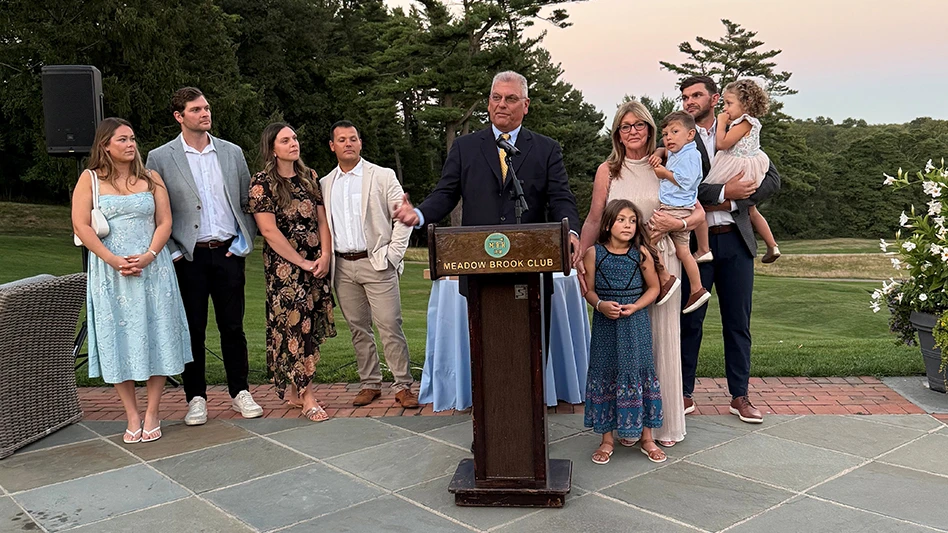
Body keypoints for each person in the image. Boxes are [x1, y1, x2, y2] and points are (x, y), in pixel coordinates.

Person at [577, 101, 703, 447]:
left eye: (640, 125)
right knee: (623, 346)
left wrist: (675, 223)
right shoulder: (609, 170)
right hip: (618, 267)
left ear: (650, 128)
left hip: (661, 259)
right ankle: (626, 426)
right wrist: (580, 256)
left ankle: (662, 426)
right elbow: (593, 218)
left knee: (661, 340)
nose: (633, 131)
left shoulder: (666, 163)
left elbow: (698, 214)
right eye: (625, 126)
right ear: (617, 133)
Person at [145, 87, 262, 425]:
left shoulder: (231, 152)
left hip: (227, 252)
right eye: (196, 110)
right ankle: (196, 397)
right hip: (187, 257)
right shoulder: (160, 157)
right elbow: (155, 211)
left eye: (206, 108)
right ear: (179, 116)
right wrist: (173, 253)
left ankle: (240, 391)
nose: (205, 113)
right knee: (192, 329)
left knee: (233, 327)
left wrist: (243, 242)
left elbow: (245, 202)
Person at [72, 117, 193, 444]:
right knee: (117, 340)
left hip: (153, 268)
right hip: (110, 273)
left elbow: (165, 221)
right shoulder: (90, 180)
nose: (130, 144)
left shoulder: (151, 178)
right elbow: (81, 226)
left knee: (158, 334)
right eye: (122, 139)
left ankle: (153, 411)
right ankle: (132, 414)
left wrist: (151, 254)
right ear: (105, 145)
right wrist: (111, 259)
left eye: (132, 138)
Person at [677, 76, 782, 423]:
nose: (689, 101)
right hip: (697, 244)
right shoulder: (681, 138)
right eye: (684, 96)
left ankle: (740, 395)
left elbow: (772, 180)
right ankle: (684, 392)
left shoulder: (741, 132)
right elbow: (686, 188)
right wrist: (724, 193)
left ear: (714, 98)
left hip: (737, 240)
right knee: (690, 320)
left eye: (696, 95)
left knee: (738, 322)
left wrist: (739, 198)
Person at [320, 121, 418, 409]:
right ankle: (370, 383)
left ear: (360, 143)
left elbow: (404, 215)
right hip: (343, 267)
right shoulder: (325, 184)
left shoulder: (382, 176)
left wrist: (392, 255)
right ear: (332, 146)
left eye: (353, 138)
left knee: (389, 325)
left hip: (377, 262)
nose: (348, 143)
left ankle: (402, 385)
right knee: (358, 328)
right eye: (341, 139)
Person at [247, 123, 336, 421]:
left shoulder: (309, 177)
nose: (293, 143)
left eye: (295, 138)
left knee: (309, 324)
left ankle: (300, 391)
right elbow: (269, 231)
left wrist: (325, 256)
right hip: (285, 270)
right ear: (273, 148)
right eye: (285, 140)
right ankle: (308, 396)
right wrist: (302, 263)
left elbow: (322, 221)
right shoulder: (262, 183)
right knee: (296, 328)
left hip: (315, 265)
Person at [582, 199, 665, 465]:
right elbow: (589, 290)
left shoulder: (640, 253)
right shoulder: (594, 253)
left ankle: (647, 437)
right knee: (606, 372)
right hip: (606, 323)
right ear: (608, 224)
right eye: (621, 220)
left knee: (639, 372)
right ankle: (607, 439)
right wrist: (600, 305)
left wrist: (636, 306)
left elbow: (653, 288)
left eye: (632, 220)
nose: (628, 225)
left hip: (635, 322)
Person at [697, 79, 780, 263]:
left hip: (738, 167)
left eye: (729, 103)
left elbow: (722, 143)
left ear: (746, 103)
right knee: (752, 210)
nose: (725, 109)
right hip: (749, 165)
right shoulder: (750, 123)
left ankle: (703, 248)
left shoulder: (744, 123)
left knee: (705, 193)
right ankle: (772, 244)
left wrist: (721, 123)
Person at [648, 110, 712, 314]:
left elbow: (687, 181)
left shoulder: (692, 156)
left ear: (690, 135)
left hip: (675, 209)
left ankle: (665, 279)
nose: (669, 138)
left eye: (675, 132)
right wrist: (659, 153)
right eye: (665, 134)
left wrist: (665, 173)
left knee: (647, 240)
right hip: (678, 207)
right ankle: (697, 289)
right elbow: (665, 152)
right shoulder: (679, 152)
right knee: (684, 251)